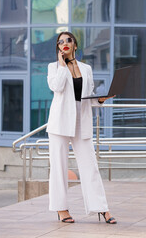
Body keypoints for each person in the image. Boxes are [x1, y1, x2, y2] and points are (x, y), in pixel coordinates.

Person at [46, 31, 116, 224]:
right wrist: (62, 65)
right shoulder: (53, 67)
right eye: (60, 42)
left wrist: (100, 100)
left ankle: (102, 208)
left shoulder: (86, 68)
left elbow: (88, 95)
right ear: (59, 48)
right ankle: (61, 209)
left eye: (68, 40)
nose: (64, 43)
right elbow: (57, 87)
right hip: (60, 122)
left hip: (81, 120)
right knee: (59, 167)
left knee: (90, 165)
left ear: (75, 45)